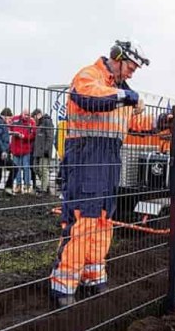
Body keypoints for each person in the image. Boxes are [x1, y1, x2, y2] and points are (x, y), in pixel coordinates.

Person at [50, 39, 153, 306]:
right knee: (83, 219)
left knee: (103, 219)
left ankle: (93, 275)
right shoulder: (90, 76)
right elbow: (88, 97)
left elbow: (134, 123)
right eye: (131, 67)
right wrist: (127, 96)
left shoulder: (119, 90)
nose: (132, 73)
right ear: (117, 58)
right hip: (86, 156)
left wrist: (161, 122)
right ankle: (64, 285)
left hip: (108, 158)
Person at [9, 109, 36, 194]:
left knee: (26, 167)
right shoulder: (15, 119)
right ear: (22, 113)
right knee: (16, 168)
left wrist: (24, 137)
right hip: (15, 148)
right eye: (25, 114)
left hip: (26, 148)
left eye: (28, 115)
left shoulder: (31, 122)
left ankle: (27, 186)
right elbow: (9, 128)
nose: (27, 116)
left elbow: (33, 134)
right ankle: (18, 185)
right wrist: (13, 133)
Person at [32, 109, 55, 194]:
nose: (34, 120)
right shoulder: (40, 124)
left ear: (38, 115)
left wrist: (46, 149)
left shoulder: (47, 122)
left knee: (43, 169)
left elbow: (50, 137)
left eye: (34, 117)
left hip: (44, 151)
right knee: (36, 169)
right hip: (38, 151)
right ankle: (45, 185)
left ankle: (44, 189)